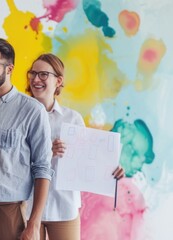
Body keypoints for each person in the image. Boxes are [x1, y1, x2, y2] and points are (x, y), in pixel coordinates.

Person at [25, 53, 125, 240]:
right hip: (27, 207)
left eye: (43, 74)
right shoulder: (20, 116)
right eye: (33, 73)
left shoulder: (72, 119)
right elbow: (9, 160)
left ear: (58, 81)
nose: (36, 79)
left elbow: (89, 159)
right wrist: (47, 151)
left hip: (64, 206)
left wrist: (112, 170)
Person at [0, 38, 54, 240]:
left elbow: (42, 168)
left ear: (9, 69)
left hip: (8, 214)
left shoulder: (32, 110)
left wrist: (34, 224)